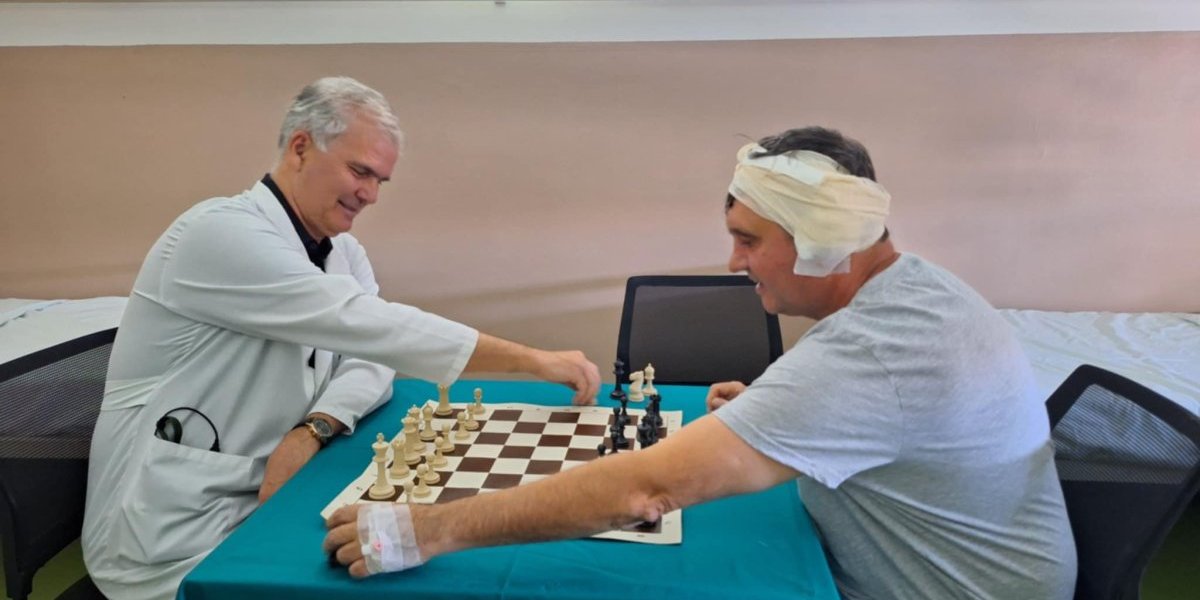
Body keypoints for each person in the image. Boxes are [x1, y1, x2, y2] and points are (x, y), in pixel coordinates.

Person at [324, 126, 1077, 599]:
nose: (733, 260)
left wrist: (430, 530)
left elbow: (645, 487)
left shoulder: (878, 348)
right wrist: (781, 414)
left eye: (749, 239)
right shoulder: (914, 294)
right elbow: (876, 412)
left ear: (819, 242)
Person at [81, 76, 600, 600]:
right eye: (360, 172)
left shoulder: (341, 252)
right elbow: (370, 326)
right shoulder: (217, 234)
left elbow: (370, 361)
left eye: (381, 181)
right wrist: (532, 359)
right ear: (301, 147)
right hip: (170, 532)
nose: (370, 195)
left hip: (273, 493)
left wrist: (313, 429)